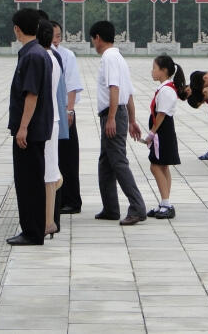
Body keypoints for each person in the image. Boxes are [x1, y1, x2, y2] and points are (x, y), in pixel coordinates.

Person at [90, 20, 147, 225]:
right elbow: (128, 92)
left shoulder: (109, 58)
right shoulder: (119, 57)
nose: (93, 44)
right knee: (106, 162)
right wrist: (131, 120)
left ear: (97, 38)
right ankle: (111, 208)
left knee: (118, 162)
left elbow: (115, 88)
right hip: (119, 113)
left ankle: (137, 207)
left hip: (112, 114)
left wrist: (112, 118)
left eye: (93, 40)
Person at [6, 8, 53, 246]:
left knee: (29, 183)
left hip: (30, 132)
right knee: (30, 181)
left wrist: (23, 127)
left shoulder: (32, 55)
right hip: (34, 129)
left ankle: (32, 232)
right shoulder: (36, 52)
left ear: (17, 28)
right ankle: (33, 229)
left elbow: (31, 95)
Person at [144, 55, 188, 219]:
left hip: (163, 132)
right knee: (162, 167)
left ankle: (166, 203)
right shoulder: (166, 88)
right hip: (164, 131)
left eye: (154, 68)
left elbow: (161, 114)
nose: (152, 71)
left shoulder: (166, 90)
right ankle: (164, 203)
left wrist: (152, 133)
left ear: (163, 71)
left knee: (155, 166)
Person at [51, 20, 84, 214]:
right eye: (53, 35)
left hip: (64, 111)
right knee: (54, 158)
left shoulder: (66, 55)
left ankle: (72, 200)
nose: (56, 39)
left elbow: (72, 84)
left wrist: (69, 110)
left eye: (58, 36)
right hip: (51, 112)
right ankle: (59, 198)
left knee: (68, 158)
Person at [37, 19, 66, 239]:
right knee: (51, 171)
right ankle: (47, 220)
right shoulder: (54, 58)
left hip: (47, 121)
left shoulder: (45, 58)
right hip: (53, 119)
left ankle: (48, 222)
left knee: (49, 175)